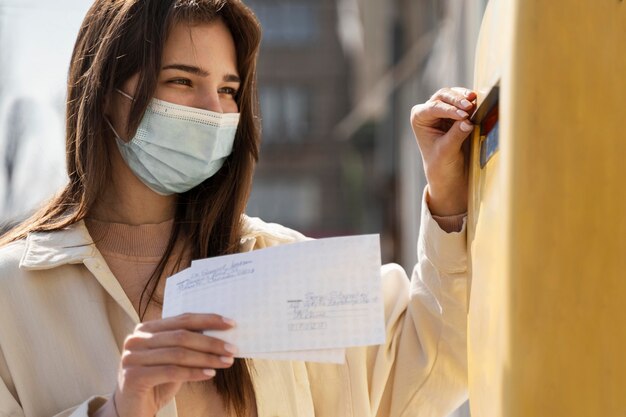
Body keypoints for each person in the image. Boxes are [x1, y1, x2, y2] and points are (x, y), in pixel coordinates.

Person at [0, 1, 476, 416]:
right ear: (106, 94)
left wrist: (447, 195)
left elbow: (433, 363)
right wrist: (119, 410)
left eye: (229, 90)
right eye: (182, 81)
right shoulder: (12, 295)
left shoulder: (279, 265)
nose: (213, 110)